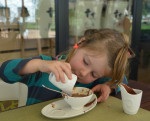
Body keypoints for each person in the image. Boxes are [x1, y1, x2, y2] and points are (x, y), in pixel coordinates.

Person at [0, 28, 134, 105]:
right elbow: (4, 72)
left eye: (94, 74)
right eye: (86, 62)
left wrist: (108, 87)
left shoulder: (93, 83)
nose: (84, 72)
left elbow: (122, 80)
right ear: (80, 43)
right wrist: (37, 65)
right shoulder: (43, 68)